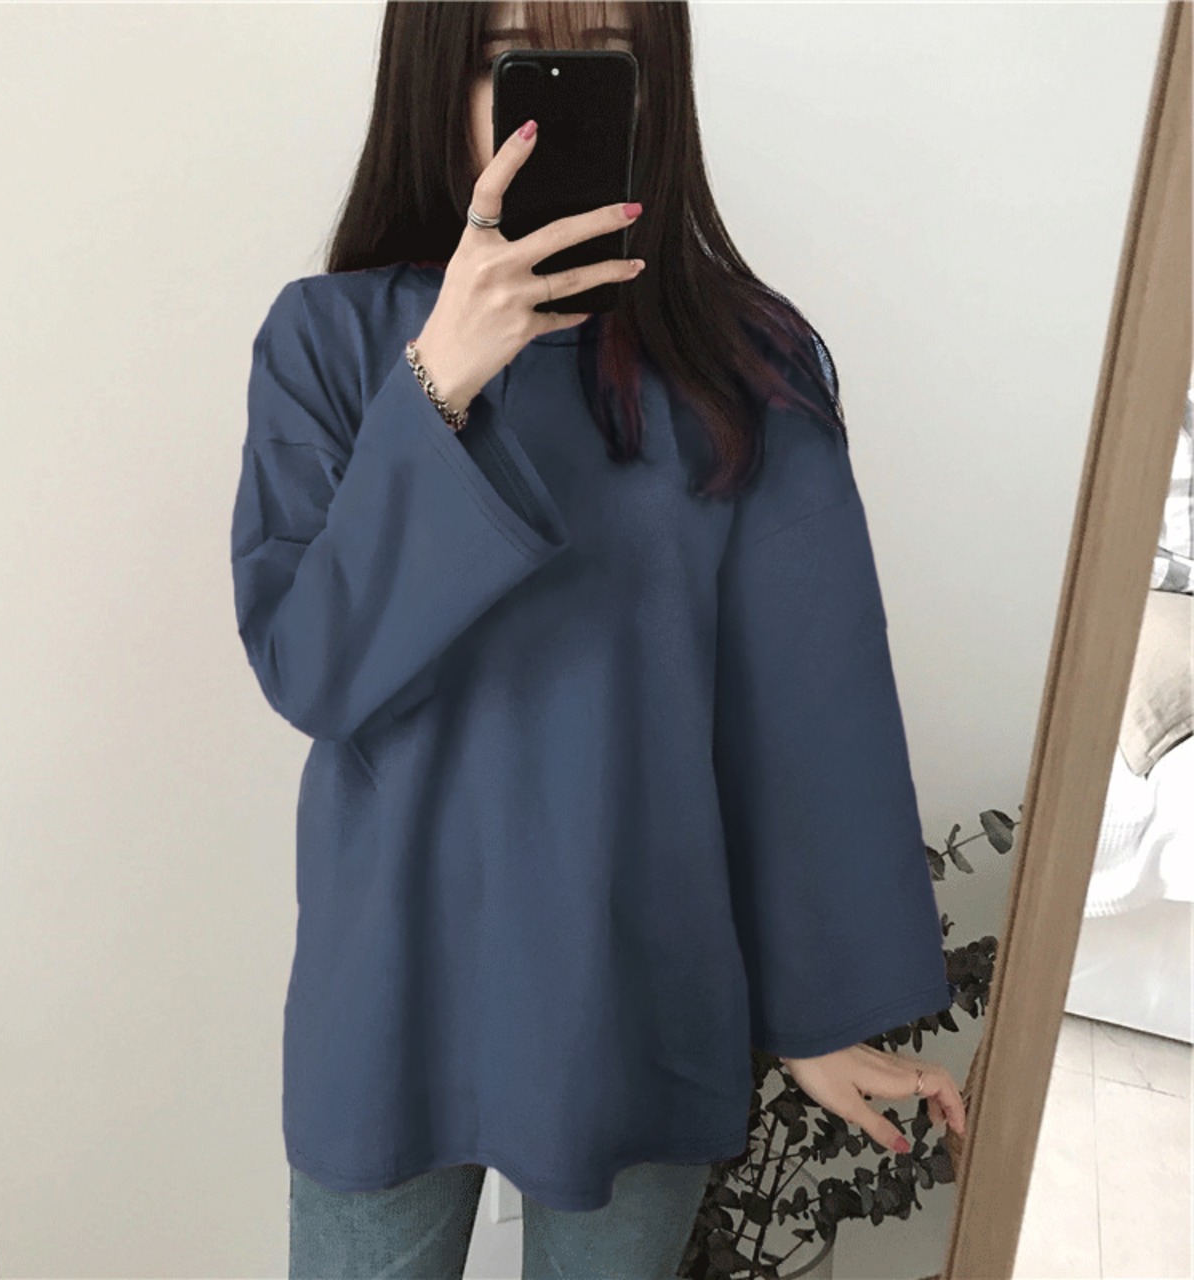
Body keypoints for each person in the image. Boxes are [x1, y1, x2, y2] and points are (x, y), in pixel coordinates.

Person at [229, 2, 968, 1276]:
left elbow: (805, 705)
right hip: (393, 973)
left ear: (653, 85)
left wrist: (813, 1007)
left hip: (637, 973)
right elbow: (313, 668)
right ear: (434, 75)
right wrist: (437, 381)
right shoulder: (329, 339)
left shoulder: (744, 360)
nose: (550, 97)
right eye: (509, 54)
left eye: (606, 55)